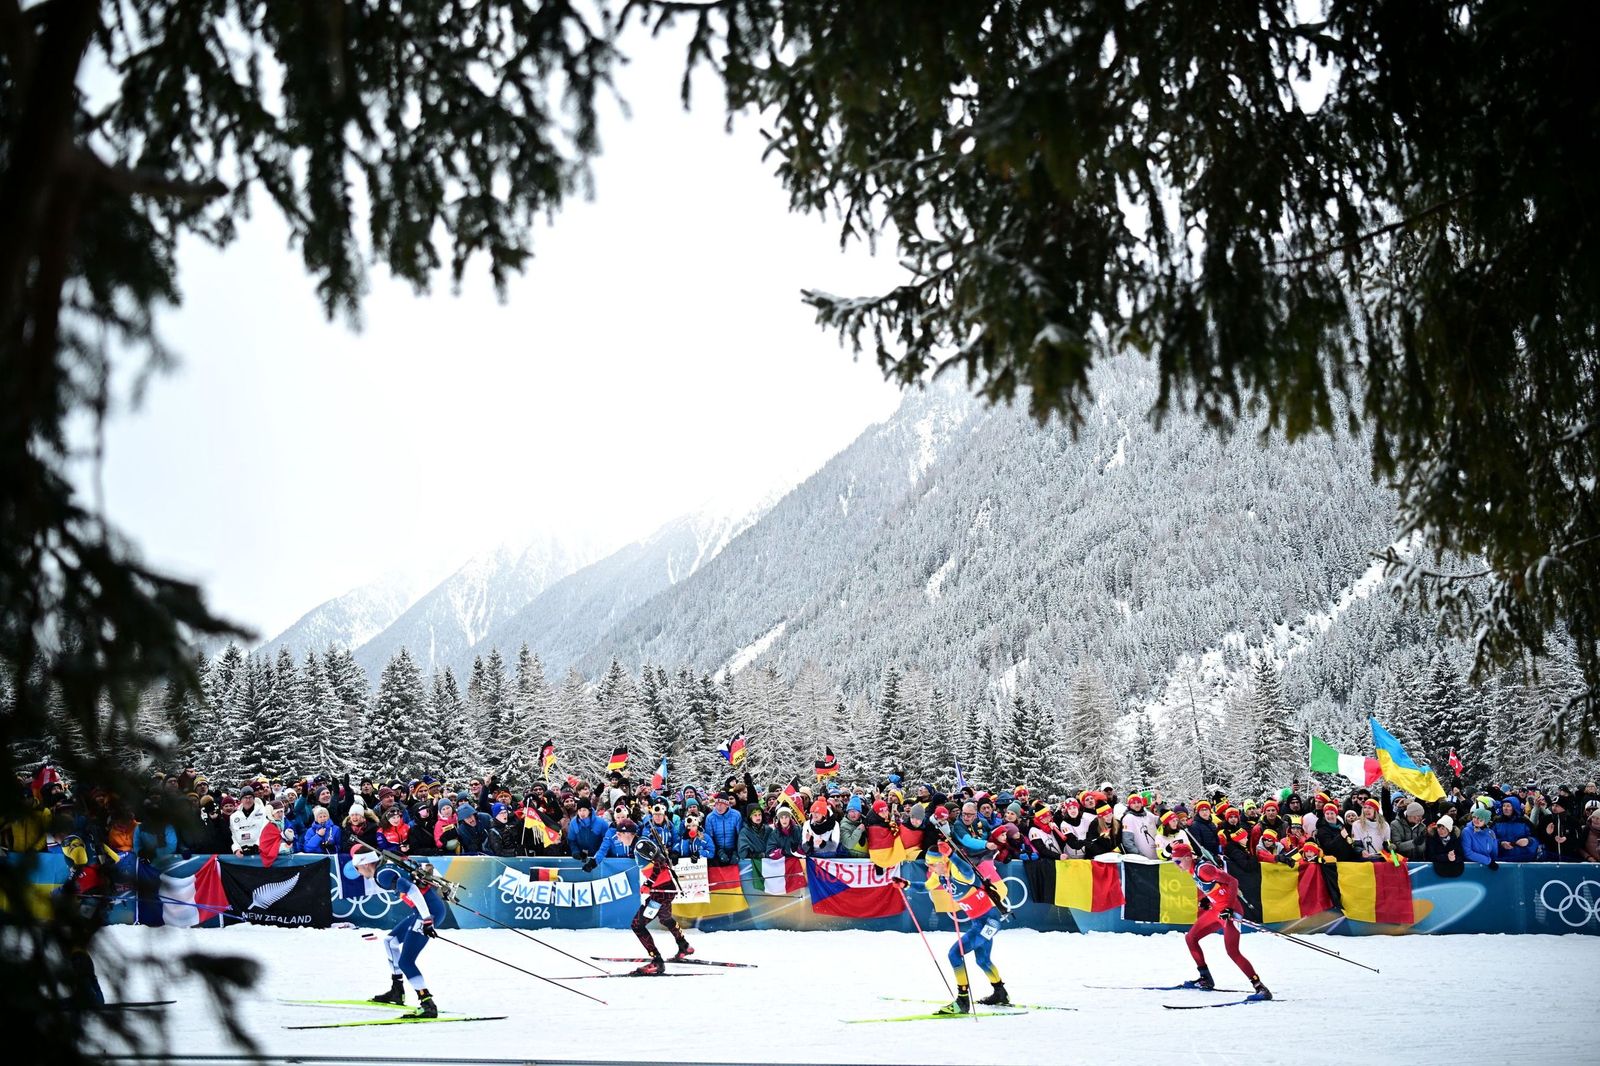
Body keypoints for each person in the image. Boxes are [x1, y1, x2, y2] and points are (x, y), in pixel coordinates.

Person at [1167, 840, 1271, 1001]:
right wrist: (1204, 899)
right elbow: (1203, 886)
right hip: (1216, 911)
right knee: (1191, 938)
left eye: (1178, 861)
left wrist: (1229, 908)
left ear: (1188, 857)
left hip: (1230, 912)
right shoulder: (1191, 869)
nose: (1177, 865)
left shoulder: (1205, 869)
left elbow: (1232, 881)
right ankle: (1205, 979)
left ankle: (1260, 988)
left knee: (1232, 952)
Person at [915, 844, 1011, 1015]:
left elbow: (968, 872)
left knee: (954, 954)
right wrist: (905, 884)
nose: (929, 868)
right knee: (982, 961)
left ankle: (962, 1001)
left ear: (943, 861)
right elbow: (924, 887)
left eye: (932, 864)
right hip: (979, 923)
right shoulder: (940, 876)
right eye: (927, 864)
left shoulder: (957, 871)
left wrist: (952, 855)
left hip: (989, 922)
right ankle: (1000, 993)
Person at [357, 846, 450, 1018]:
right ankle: (397, 991)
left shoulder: (381, 875)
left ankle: (427, 1003)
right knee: (390, 941)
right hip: (425, 911)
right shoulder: (386, 866)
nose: (359, 872)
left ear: (365, 864)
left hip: (428, 913)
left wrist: (427, 919)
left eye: (357, 868)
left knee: (407, 962)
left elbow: (412, 890)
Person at [628, 838, 692, 974]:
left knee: (637, 925)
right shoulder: (639, 845)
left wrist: (648, 883)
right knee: (666, 919)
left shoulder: (640, 845)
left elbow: (658, 862)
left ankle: (657, 961)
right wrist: (649, 883)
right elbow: (660, 862)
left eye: (620, 834)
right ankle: (684, 946)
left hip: (661, 892)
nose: (618, 838)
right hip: (664, 889)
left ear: (627, 833)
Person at [229, 790, 269, 857]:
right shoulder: (234, 816)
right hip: (241, 853)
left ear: (254, 799)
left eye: (250, 797)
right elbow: (232, 835)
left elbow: (265, 830)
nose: (248, 800)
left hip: (260, 851)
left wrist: (257, 845)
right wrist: (236, 849)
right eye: (245, 798)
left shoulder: (263, 812)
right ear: (241, 800)